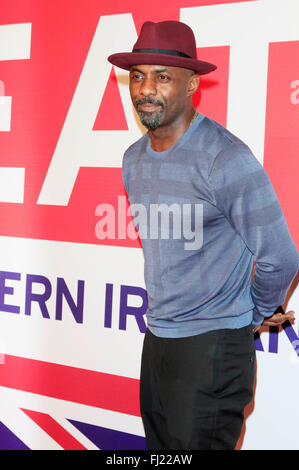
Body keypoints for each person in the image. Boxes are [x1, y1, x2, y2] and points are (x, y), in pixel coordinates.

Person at [108, 20, 299, 450]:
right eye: (137, 76)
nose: (145, 90)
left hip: (211, 349)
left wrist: (247, 318)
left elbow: (281, 257)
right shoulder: (132, 159)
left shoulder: (225, 158)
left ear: (192, 83)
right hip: (157, 340)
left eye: (162, 77)